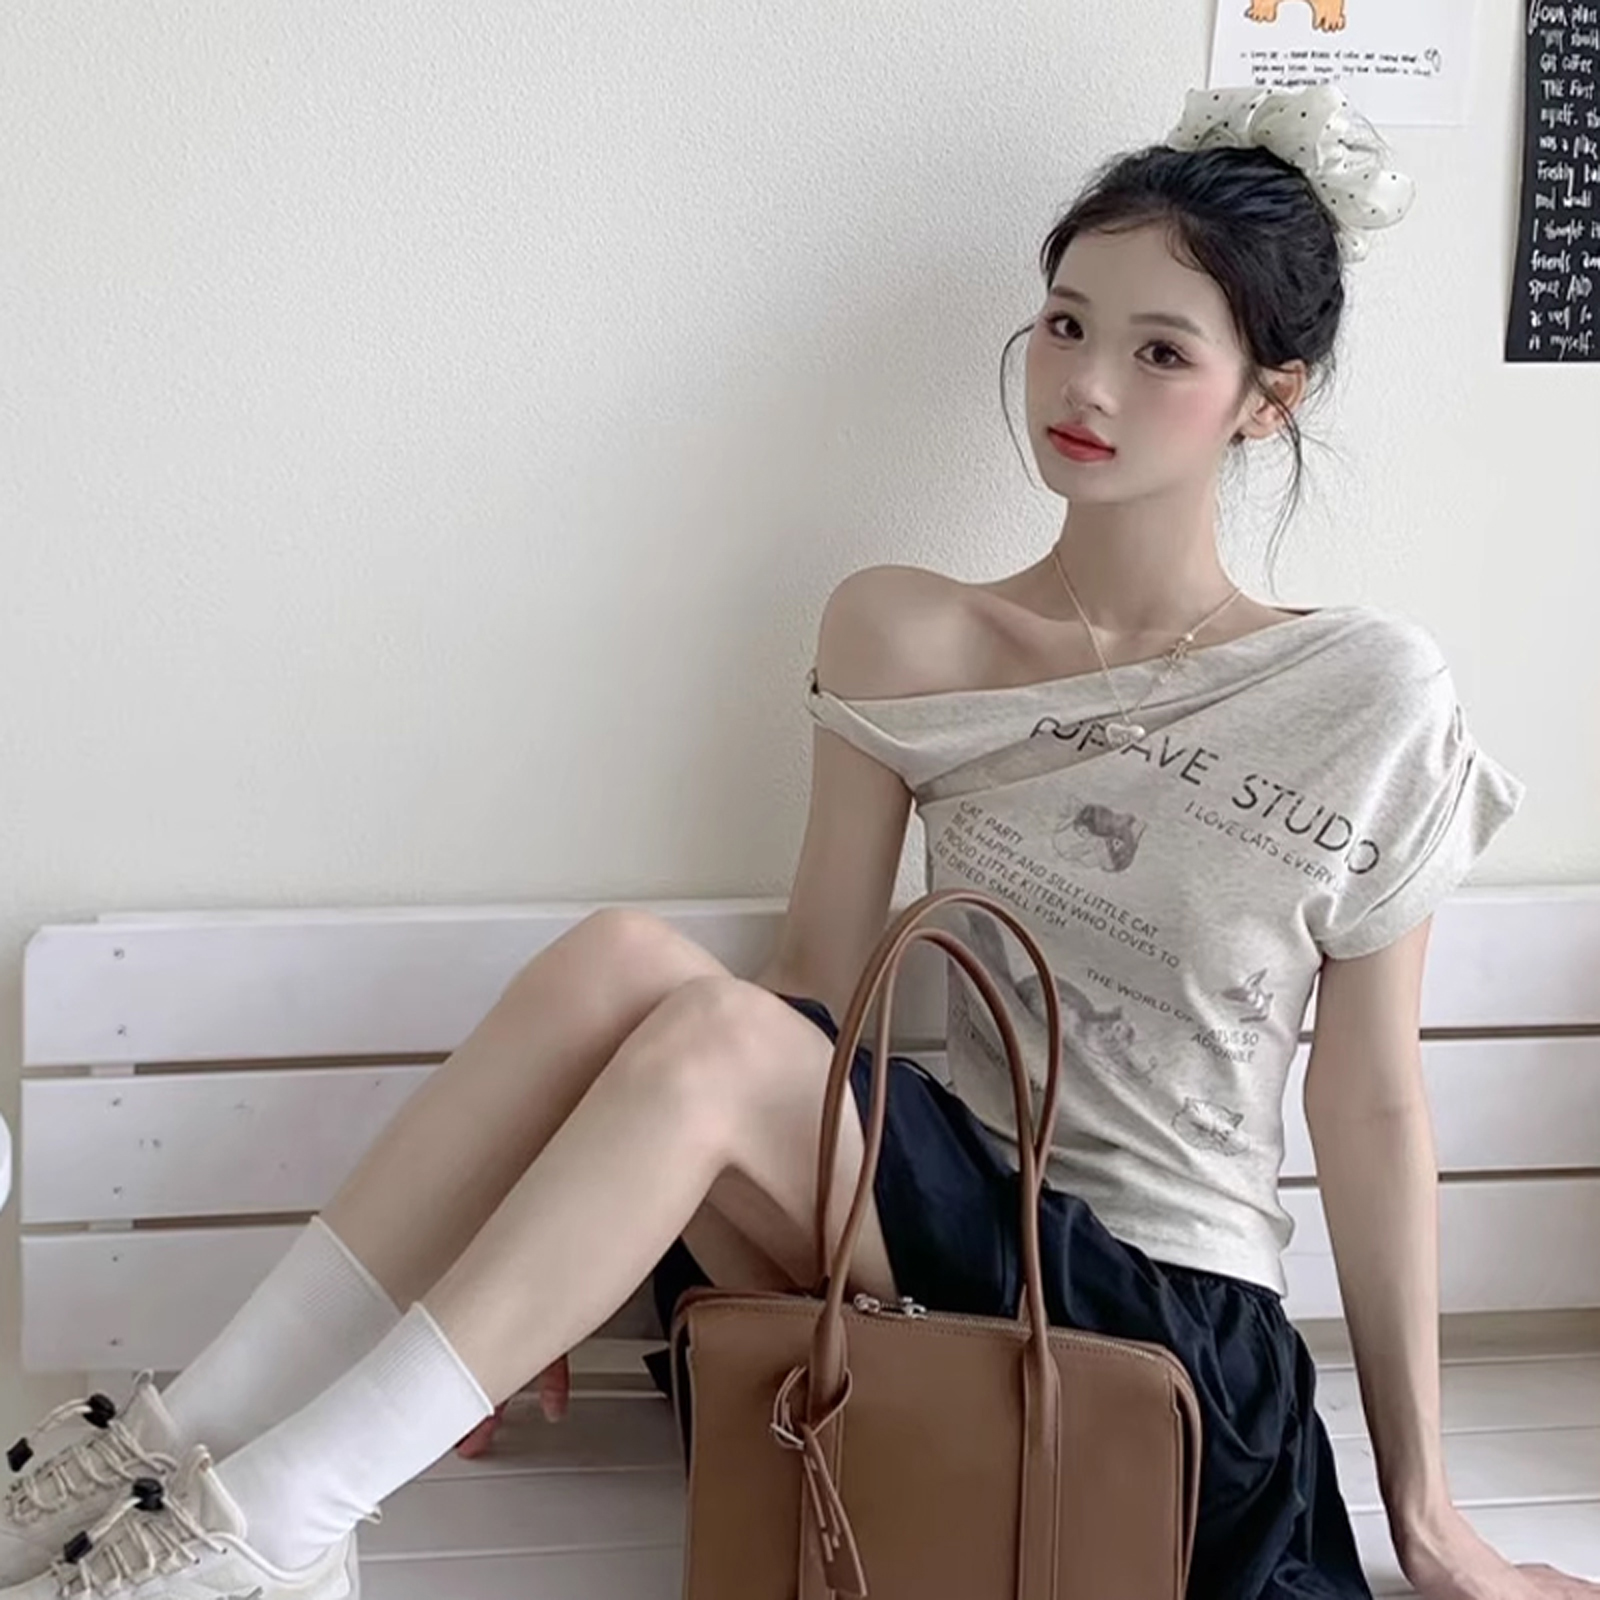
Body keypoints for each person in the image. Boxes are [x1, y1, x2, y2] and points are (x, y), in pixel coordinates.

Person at [2, 83, 1593, 1600]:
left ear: (1270, 398)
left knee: (707, 1036)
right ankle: (164, 1454)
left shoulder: (1364, 690)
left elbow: (1371, 1103)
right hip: (912, 1248)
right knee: (626, 962)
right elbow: (815, 993)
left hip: (1157, 1324)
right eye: (1065, 325)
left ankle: (282, 1518)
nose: (1087, 387)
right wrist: (556, 1249)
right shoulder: (907, 632)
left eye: (1160, 351)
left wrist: (1428, 1517)